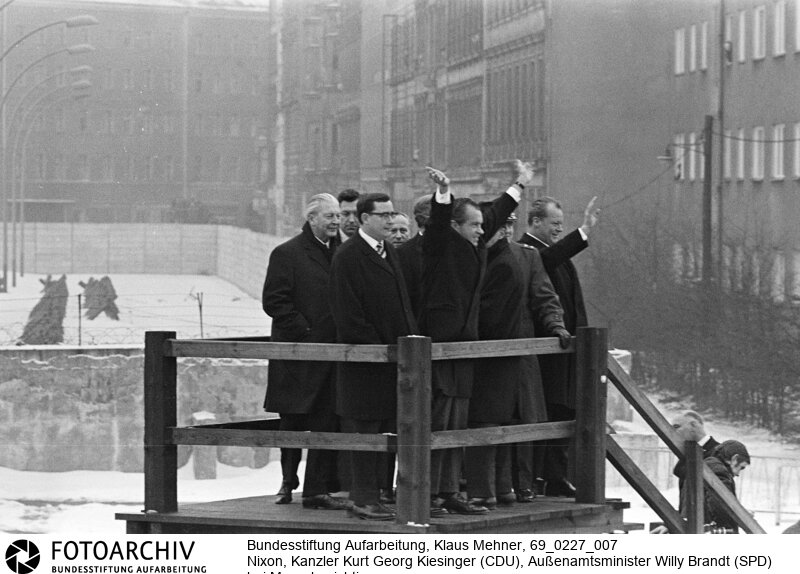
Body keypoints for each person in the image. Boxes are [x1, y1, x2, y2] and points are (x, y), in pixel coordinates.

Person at [413, 161, 533, 515]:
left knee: (457, 423)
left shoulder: (475, 243)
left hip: (464, 349)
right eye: (474, 225)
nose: (483, 230)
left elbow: (495, 213)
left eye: (483, 226)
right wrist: (444, 193)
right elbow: (437, 224)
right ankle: (428, 493)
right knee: (435, 422)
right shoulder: (440, 245)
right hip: (438, 347)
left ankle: (448, 490)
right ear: (455, 226)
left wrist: (520, 184)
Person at [464, 212, 569, 509]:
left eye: (511, 224)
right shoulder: (472, 254)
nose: (507, 230)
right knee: (485, 419)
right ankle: (483, 488)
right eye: (502, 223)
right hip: (482, 351)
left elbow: (544, 296)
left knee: (520, 419)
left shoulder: (527, 257)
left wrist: (555, 325)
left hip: (519, 352)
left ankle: (515, 484)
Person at [329, 192, 417, 521]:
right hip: (365, 363)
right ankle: (362, 498)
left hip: (392, 361)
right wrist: (380, 348)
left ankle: (378, 494)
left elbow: (402, 304)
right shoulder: (348, 256)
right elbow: (348, 316)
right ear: (365, 219)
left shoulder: (388, 252)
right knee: (365, 429)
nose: (391, 220)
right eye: (383, 215)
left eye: (393, 213)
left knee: (385, 429)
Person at [261, 193, 349, 510]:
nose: (336, 222)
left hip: (331, 356)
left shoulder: (343, 253)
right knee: (293, 421)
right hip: (296, 358)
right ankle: (287, 481)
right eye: (330, 217)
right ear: (312, 219)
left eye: (338, 216)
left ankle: (318, 488)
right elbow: (275, 302)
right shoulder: (288, 253)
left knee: (327, 420)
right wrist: (306, 332)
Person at [519, 195, 600, 497]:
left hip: (564, 348)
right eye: (554, 224)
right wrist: (582, 231)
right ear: (536, 221)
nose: (557, 230)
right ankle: (546, 476)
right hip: (546, 351)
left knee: (563, 410)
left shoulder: (549, 252)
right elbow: (547, 262)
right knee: (551, 411)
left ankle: (554, 475)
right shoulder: (528, 251)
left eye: (561, 225)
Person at [672, 411, 720, 505]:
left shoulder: (719, 452)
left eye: (676, 427)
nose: (673, 432)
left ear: (693, 425)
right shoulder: (688, 452)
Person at [703, 440, 750, 533]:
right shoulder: (719, 471)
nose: (737, 474)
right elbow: (721, 504)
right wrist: (742, 515)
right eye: (741, 467)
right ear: (734, 459)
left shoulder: (708, 466)